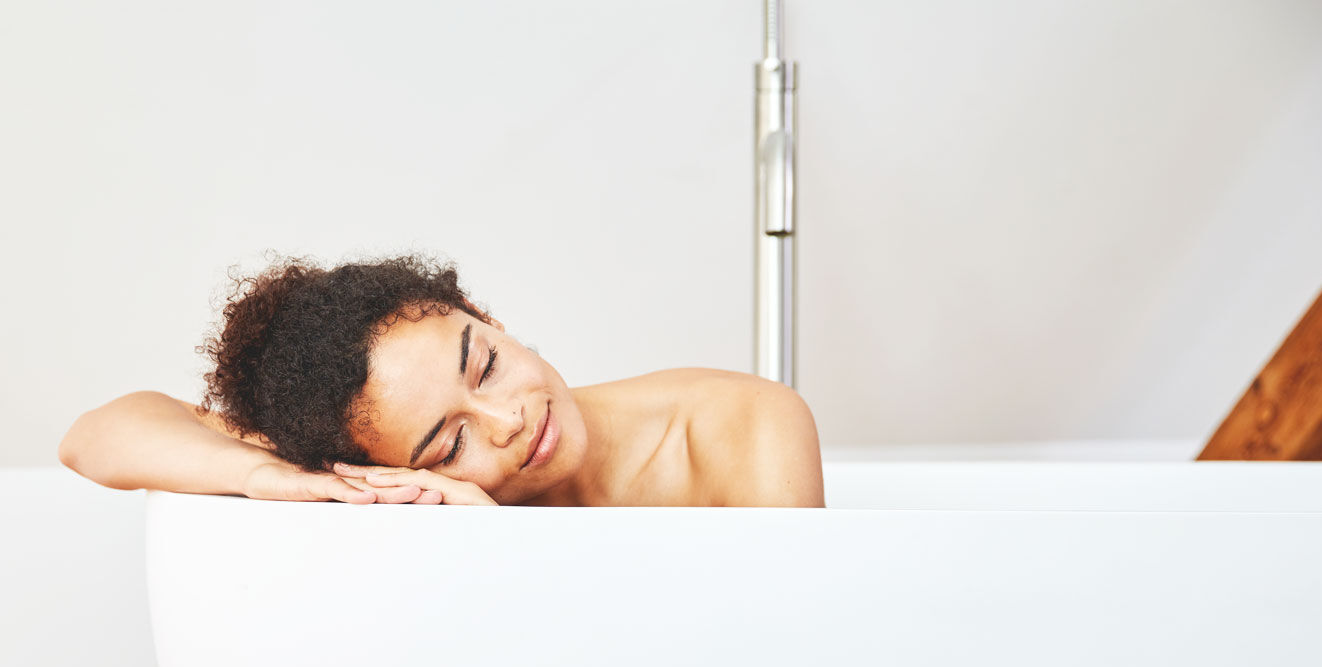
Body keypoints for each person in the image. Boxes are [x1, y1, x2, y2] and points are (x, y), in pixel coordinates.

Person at [59, 254, 824, 507]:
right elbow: (94, 436)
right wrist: (272, 478)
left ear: (485, 317)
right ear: (382, 473)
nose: (506, 422)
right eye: (448, 443)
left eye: (485, 364)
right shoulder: (366, 475)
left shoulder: (742, 428)